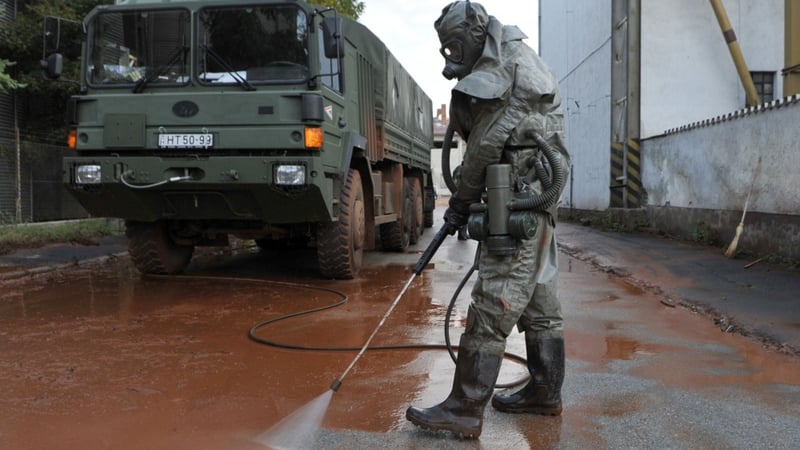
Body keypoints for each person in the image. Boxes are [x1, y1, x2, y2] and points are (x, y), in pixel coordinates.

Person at [405, 0, 570, 438]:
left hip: (518, 199)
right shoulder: (511, 56)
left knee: (494, 297)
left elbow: (487, 143)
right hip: (533, 195)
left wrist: (460, 202)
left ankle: (464, 407)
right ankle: (544, 393)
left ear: (476, 34)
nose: (450, 55)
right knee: (539, 300)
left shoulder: (505, 68)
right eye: (446, 48)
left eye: (455, 46)